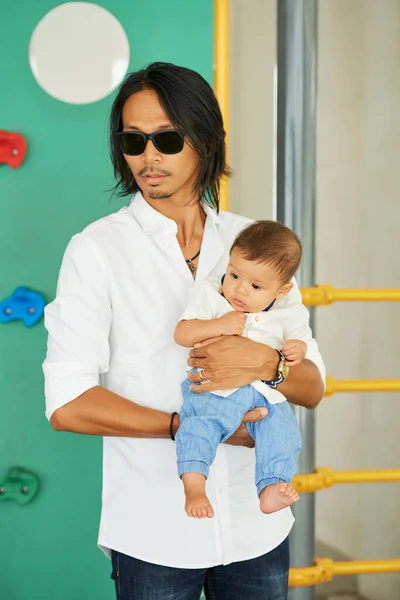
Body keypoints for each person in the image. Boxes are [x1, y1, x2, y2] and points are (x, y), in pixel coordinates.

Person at [43, 62, 325, 600]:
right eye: (133, 140)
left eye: (168, 139)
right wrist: (187, 428)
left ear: (204, 139)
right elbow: (68, 404)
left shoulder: (254, 242)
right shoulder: (97, 250)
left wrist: (266, 365)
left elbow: (312, 386)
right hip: (153, 531)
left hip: (257, 527)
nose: (149, 157)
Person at [174, 220, 310, 519]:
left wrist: (296, 351)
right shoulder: (212, 296)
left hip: (263, 393)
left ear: (283, 289)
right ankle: (194, 485)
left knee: (283, 430)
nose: (239, 290)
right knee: (200, 426)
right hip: (214, 388)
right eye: (234, 274)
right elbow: (182, 334)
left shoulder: (290, 311)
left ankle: (272, 485)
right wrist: (217, 325)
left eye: (256, 286)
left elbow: (299, 347)